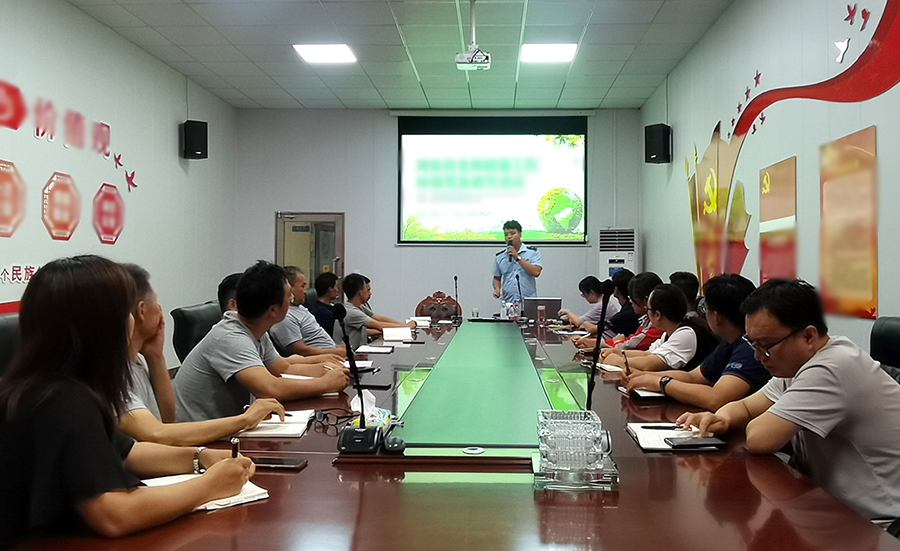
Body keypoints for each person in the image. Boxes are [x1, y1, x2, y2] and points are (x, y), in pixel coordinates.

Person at [0, 255, 254, 545]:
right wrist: (209, 485)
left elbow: (127, 452)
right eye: (126, 312)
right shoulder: (64, 400)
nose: (132, 321)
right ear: (102, 326)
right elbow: (113, 515)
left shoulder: (50, 384)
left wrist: (199, 457)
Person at [678, 279, 900, 529]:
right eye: (753, 344)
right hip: (831, 507)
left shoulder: (833, 368)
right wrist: (721, 418)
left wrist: (741, 419)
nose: (758, 356)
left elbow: (760, 438)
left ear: (808, 336)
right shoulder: (798, 364)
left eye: (766, 346)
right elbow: (746, 407)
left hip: (880, 525)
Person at [118, 264, 286, 446]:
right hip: (178, 446)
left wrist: (156, 356)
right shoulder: (113, 375)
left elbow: (167, 419)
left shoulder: (138, 361)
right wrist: (245, 419)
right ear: (142, 310)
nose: (159, 308)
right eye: (156, 301)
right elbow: (157, 434)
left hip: (175, 446)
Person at [173, 261, 350, 423]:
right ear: (273, 310)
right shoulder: (230, 338)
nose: (291, 303)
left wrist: (325, 369)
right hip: (196, 436)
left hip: (227, 426)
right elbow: (270, 388)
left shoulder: (255, 328)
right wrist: (325, 383)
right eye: (288, 298)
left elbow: (283, 368)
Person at [625, 274, 770, 409]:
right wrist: (645, 377)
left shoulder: (750, 348)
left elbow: (716, 398)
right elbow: (693, 376)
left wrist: (661, 383)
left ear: (717, 317)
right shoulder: (729, 341)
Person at [600, 284, 719, 371]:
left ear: (657, 314)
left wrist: (618, 360)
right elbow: (648, 354)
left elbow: (650, 364)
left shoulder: (686, 333)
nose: (646, 313)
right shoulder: (669, 332)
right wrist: (617, 352)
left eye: (648, 309)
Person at [574, 271, 664, 351]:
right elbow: (630, 340)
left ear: (646, 300)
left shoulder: (655, 324)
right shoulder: (647, 319)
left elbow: (629, 346)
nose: (630, 301)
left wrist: (616, 342)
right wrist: (590, 342)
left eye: (632, 297)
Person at [269, 266, 346, 357]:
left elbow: (322, 343)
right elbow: (301, 351)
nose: (305, 291)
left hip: (330, 355)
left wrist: (342, 349)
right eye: (302, 286)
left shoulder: (300, 308)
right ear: (289, 288)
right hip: (320, 360)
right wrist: (336, 352)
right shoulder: (285, 316)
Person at [342, 272, 416, 351]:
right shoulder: (351, 311)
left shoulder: (360, 306)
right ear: (360, 292)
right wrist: (406, 326)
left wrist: (403, 325)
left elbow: (379, 318)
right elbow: (378, 325)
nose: (370, 293)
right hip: (349, 352)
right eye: (368, 290)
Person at [492, 220, 542, 303]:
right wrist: (497, 289)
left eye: (512, 233)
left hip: (528, 302)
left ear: (520, 234)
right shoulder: (500, 257)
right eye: (506, 234)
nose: (509, 237)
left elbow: (536, 272)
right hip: (509, 302)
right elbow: (497, 278)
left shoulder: (532, 252)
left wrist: (517, 257)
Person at [308, 272, 340, 337]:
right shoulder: (327, 314)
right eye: (336, 286)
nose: (337, 290)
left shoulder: (311, 307)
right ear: (330, 289)